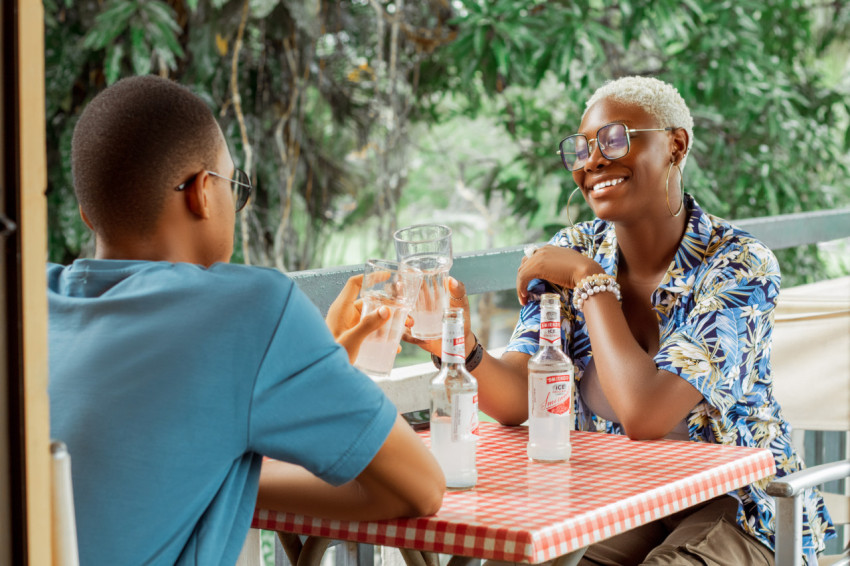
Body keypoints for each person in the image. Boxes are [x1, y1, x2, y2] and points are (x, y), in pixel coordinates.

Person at [406, 76, 834, 565]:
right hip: (624, 492)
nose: (592, 161)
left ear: (675, 145)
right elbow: (516, 397)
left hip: (741, 504)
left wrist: (591, 283)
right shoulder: (575, 249)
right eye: (582, 149)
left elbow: (645, 414)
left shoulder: (738, 264)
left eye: (615, 139)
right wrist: (457, 342)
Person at [48, 75, 444, 565]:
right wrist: (224, 482)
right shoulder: (251, 309)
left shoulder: (26, 304)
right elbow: (421, 487)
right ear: (201, 192)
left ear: (87, 214)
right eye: (235, 185)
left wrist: (200, 476)